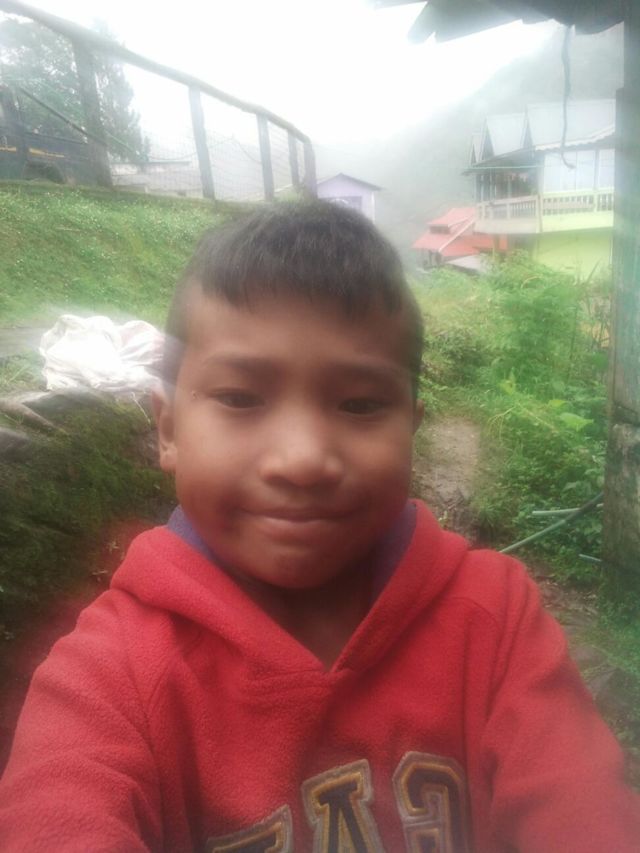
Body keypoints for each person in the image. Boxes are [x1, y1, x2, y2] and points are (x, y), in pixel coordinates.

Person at [0, 201, 638, 852]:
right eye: (240, 398)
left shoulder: (495, 620)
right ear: (168, 430)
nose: (303, 459)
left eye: (360, 404)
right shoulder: (110, 677)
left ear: (411, 428)